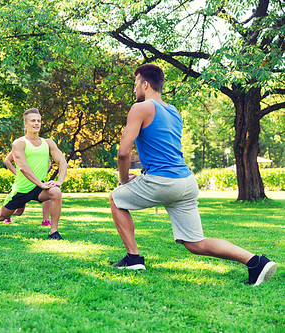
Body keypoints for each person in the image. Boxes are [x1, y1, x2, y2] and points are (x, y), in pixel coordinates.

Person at [109, 64, 277, 286]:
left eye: (135, 84)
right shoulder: (173, 111)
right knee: (195, 243)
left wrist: (123, 181)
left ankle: (133, 258)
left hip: (163, 181)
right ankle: (256, 262)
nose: (134, 90)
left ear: (145, 84)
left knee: (115, 198)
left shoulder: (140, 108)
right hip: (186, 182)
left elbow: (123, 153)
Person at [0, 108, 67, 239]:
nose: (36, 123)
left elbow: (62, 162)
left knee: (56, 192)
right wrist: (41, 185)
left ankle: (53, 232)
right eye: (33, 121)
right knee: (2, 216)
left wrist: (60, 181)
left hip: (38, 187)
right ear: (25, 124)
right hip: (21, 189)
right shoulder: (19, 143)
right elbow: (23, 167)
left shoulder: (48, 143)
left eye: (39, 121)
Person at [3, 151, 52, 226]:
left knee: (49, 194)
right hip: (24, 183)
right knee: (19, 212)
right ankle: (7, 214)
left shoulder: (42, 146)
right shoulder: (20, 145)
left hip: (38, 182)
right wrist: (17, 174)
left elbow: (48, 162)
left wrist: (42, 174)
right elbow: (7, 161)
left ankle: (45, 221)